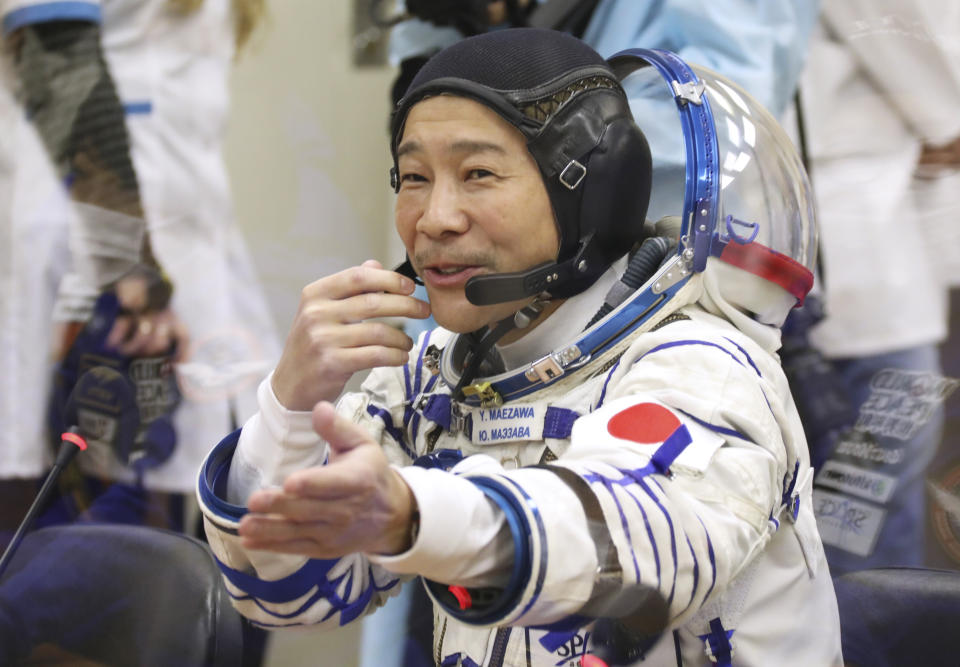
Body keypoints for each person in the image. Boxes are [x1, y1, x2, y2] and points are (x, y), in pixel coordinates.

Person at [198, 28, 842, 665]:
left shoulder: (703, 364)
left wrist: (413, 514)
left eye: (477, 173)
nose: (434, 218)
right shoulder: (433, 371)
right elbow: (293, 596)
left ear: (593, 191)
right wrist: (291, 403)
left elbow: (634, 550)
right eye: (414, 176)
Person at [0, 0, 280, 536]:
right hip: (97, 269)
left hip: (185, 265)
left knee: (186, 530)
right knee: (80, 553)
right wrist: (131, 274)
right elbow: (61, 68)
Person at [798, 0, 960, 575]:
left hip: (876, 247)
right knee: (865, 497)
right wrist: (950, 119)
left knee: (867, 493)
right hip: (859, 256)